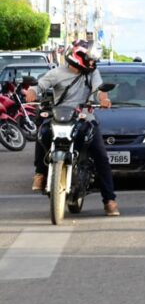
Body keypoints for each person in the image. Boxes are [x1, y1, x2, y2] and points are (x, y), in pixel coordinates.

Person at [26, 39, 120, 216]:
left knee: (101, 157)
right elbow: (40, 85)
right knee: (43, 132)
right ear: (78, 57)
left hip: (84, 118)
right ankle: (40, 173)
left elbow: (99, 89)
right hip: (59, 116)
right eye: (90, 59)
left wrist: (104, 99)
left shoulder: (92, 73)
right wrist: (32, 92)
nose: (92, 63)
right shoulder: (57, 73)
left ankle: (109, 200)